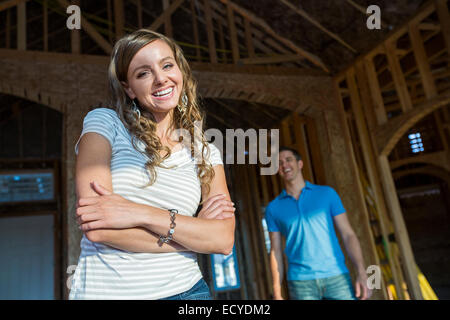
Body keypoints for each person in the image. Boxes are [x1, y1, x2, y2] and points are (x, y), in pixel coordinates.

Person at [69, 29, 236, 300]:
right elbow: (98, 227)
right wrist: (192, 236)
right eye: (143, 73)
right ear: (128, 88)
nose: (161, 79)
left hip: (187, 293)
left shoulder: (205, 151)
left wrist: (139, 213)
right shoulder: (105, 124)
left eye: (167, 65)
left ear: (180, 71)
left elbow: (223, 239)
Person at [265, 146, 372, 300]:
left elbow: (348, 234)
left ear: (300, 164)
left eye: (289, 160)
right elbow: (275, 251)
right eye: (279, 163)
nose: (284, 165)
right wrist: (276, 290)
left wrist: (362, 272)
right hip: (300, 283)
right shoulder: (273, 208)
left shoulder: (327, 194)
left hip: (336, 277)